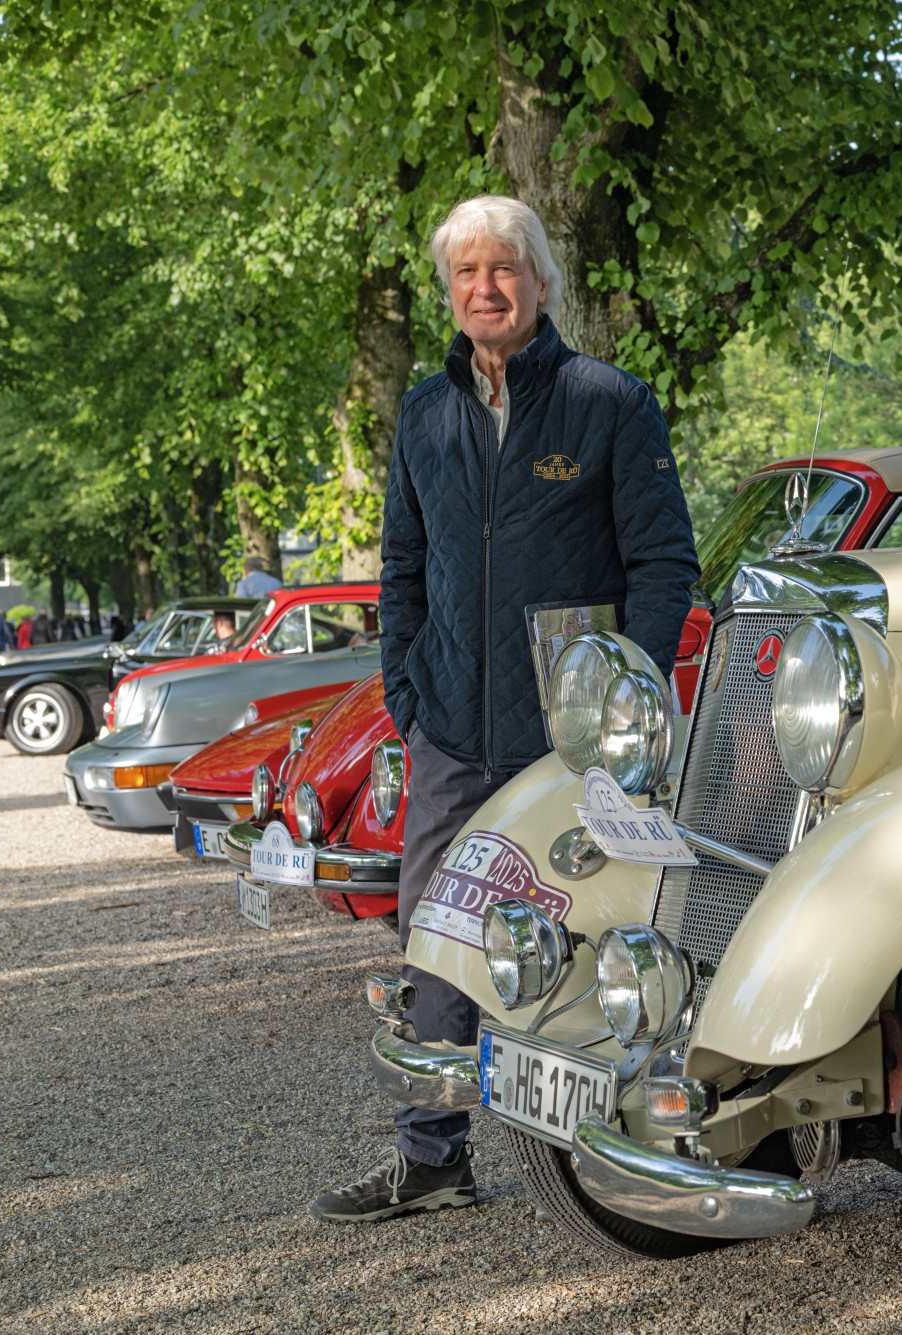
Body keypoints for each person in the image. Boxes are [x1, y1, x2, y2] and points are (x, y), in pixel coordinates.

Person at [309, 194, 697, 1224]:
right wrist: (408, 694)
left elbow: (665, 565)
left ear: (540, 282)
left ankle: (627, 1153)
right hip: (448, 729)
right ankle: (431, 1157)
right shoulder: (423, 415)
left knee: (603, 929)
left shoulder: (608, 402)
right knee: (435, 938)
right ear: (449, 289)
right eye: (466, 272)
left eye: (505, 269)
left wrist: (621, 702)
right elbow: (403, 567)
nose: (486, 288)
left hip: (571, 741)